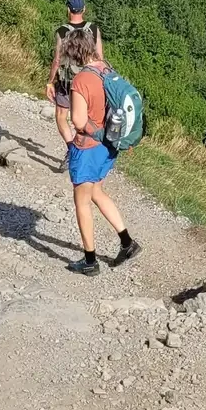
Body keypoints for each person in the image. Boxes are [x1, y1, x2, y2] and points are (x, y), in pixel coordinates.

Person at [57, 26, 138, 275]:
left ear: (75, 53)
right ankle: (127, 242)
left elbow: (79, 122)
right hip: (109, 146)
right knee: (97, 192)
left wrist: (72, 143)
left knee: (82, 200)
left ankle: (90, 261)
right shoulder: (107, 69)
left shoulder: (82, 80)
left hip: (88, 147)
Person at [48, 0, 104, 147]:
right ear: (84, 9)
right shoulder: (93, 29)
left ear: (68, 9)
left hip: (67, 82)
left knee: (61, 116)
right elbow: (100, 58)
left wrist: (50, 82)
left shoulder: (61, 31)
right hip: (89, 79)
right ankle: (87, 147)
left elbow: (57, 60)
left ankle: (71, 147)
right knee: (86, 117)